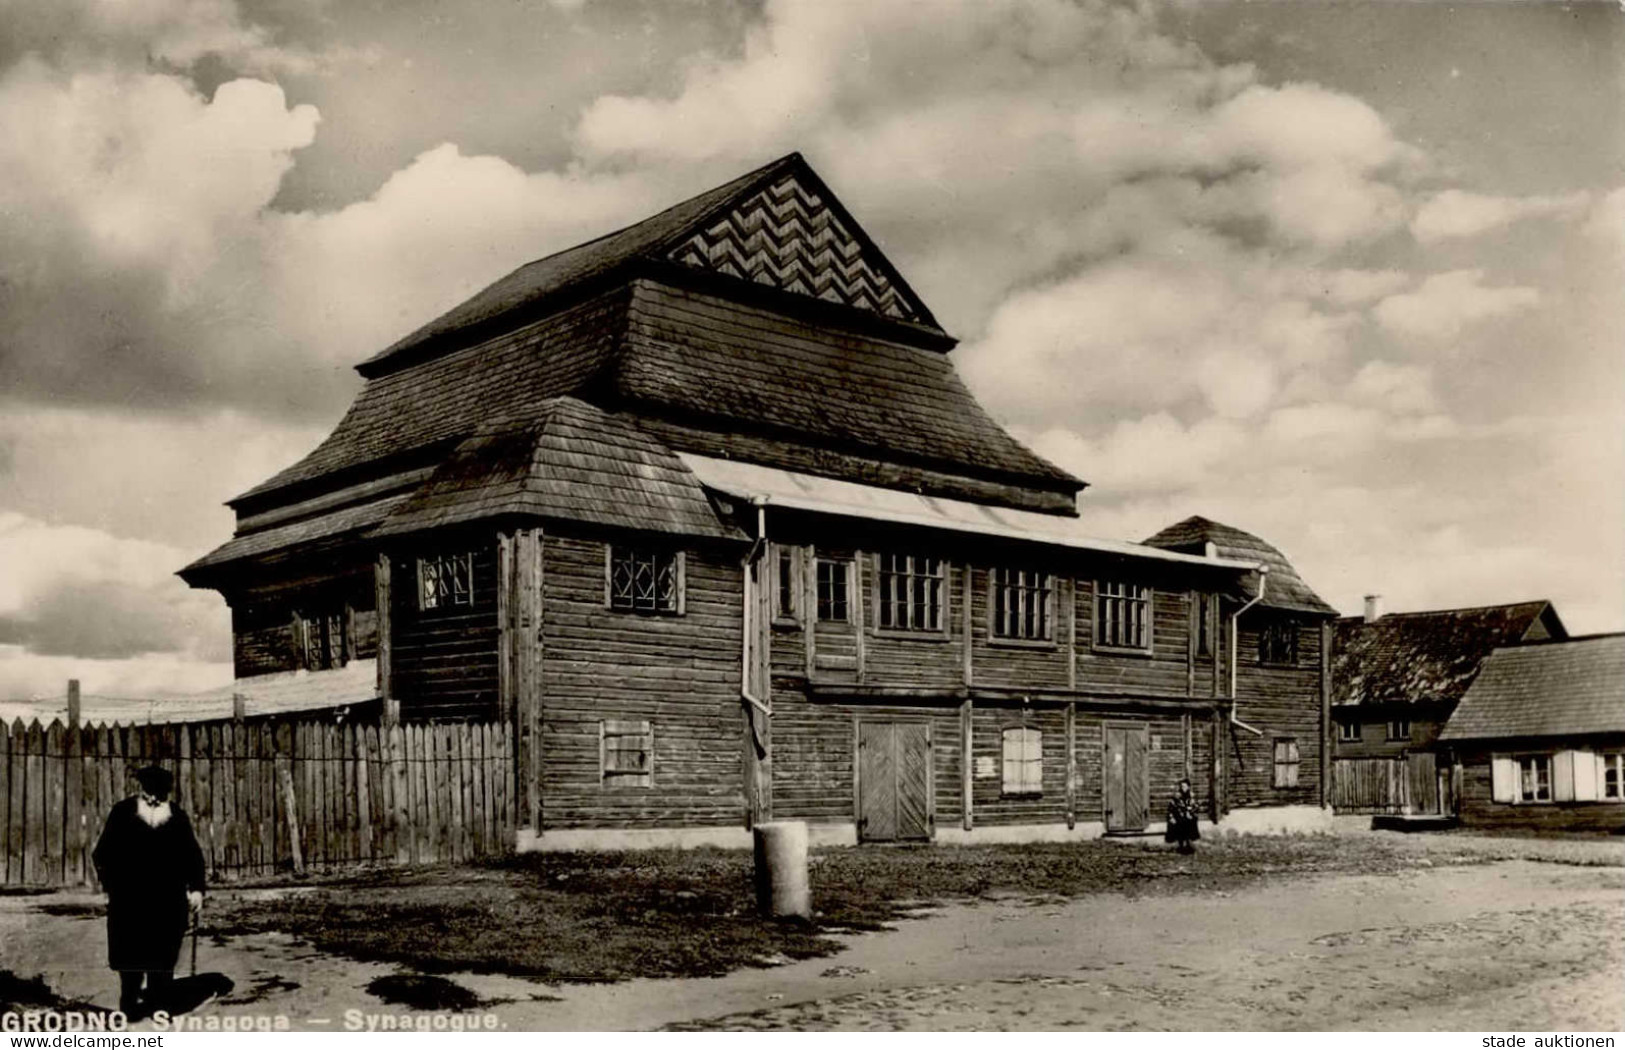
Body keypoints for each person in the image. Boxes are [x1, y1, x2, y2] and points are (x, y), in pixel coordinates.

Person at [92, 765, 206, 1020]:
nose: (155, 796)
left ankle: (159, 1004)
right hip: (129, 899)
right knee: (130, 953)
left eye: (160, 791)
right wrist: (112, 886)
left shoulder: (177, 816)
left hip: (168, 899)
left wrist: (197, 888)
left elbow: (192, 856)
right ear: (141, 789)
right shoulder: (123, 813)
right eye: (150, 790)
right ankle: (129, 1004)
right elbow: (102, 854)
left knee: (163, 953)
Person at [1164, 777, 1201, 854]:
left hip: (1189, 817)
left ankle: (1188, 844)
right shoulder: (1177, 797)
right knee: (1181, 822)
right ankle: (1181, 845)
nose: (1183, 788)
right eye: (1181, 787)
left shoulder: (1192, 796)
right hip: (1179, 817)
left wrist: (1191, 812)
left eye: (1184, 786)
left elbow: (1197, 807)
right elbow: (1171, 808)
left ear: (1188, 787)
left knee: (1190, 821)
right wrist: (1172, 817)